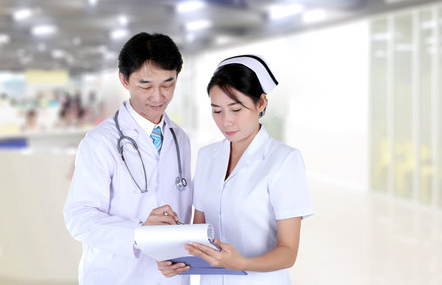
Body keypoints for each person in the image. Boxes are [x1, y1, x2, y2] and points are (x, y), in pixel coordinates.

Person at [158, 55, 314, 284]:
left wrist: (241, 264)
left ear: (261, 103)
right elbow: (199, 230)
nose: (226, 121)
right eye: (217, 111)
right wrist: (174, 258)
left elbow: (288, 252)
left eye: (236, 109)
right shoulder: (207, 156)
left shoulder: (284, 160)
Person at [63, 32, 193, 284]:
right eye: (145, 85)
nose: (158, 96)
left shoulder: (180, 140)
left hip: (171, 276)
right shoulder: (100, 142)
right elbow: (79, 217)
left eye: (168, 84)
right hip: (117, 275)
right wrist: (140, 233)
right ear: (124, 80)